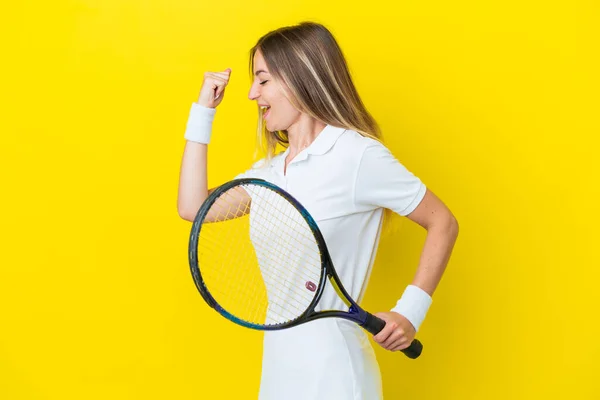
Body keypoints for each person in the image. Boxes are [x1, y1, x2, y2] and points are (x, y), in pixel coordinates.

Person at [178, 21, 459, 400]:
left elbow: (442, 221)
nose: (250, 94)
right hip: (279, 370)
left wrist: (410, 312)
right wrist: (202, 113)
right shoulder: (270, 173)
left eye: (262, 80)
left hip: (335, 373)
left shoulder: (356, 155)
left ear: (299, 78)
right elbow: (194, 207)